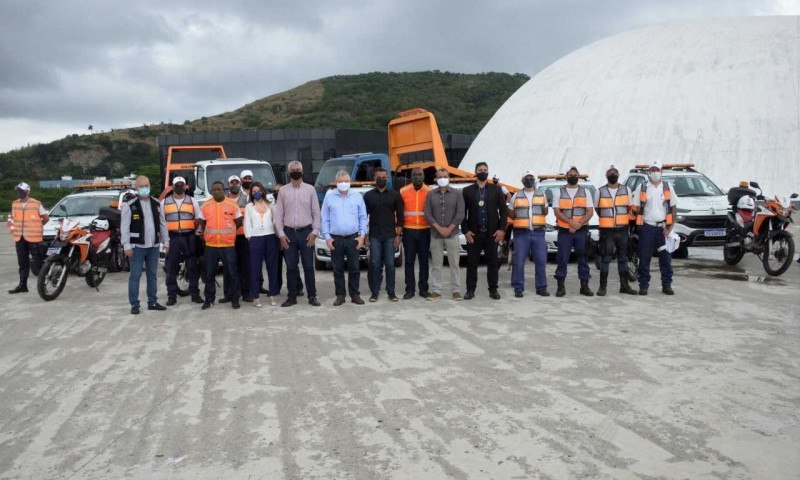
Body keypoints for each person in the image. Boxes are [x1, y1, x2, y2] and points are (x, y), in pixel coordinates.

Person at [274, 160, 321, 307]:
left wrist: (314, 233)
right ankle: (292, 296)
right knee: (291, 267)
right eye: (293, 170)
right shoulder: (283, 191)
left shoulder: (310, 189)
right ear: (289, 173)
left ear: (302, 171)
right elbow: (278, 215)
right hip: (288, 234)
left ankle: (312, 296)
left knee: (308, 266)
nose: (295, 171)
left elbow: (316, 213)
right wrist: (281, 235)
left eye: (297, 169)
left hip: (306, 232)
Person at [121, 175, 169, 314]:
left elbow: (163, 224)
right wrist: (126, 245)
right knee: (135, 276)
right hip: (136, 248)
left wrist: (166, 241)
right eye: (141, 186)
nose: (144, 188)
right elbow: (124, 227)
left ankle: (152, 302)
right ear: (136, 188)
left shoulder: (157, 203)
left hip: (153, 246)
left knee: (152, 276)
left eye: (146, 186)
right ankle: (134, 304)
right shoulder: (130, 206)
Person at [321, 171, 368, 306]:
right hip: (336, 239)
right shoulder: (329, 197)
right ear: (336, 183)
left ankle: (355, 295)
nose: (343, 183)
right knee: (338, 269)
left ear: (350, 182)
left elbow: (363, 217)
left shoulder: (357, 196)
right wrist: (327, 237)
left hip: (353, 238)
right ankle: (340, 295)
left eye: (346, 181)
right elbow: (324, 218)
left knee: (354, 268)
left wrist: (362, 236)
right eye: (341, 181)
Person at [461, 162, 507, 300]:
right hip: (474, 234)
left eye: (485, 170)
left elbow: (503, 212)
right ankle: (470, 290)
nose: (483, 172)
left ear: (488, 172)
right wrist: (466, 231)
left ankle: (493, 290)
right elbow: (462, 214)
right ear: (475, 172)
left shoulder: (496, 190)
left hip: (491, 233)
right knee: (471, 263)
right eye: (480, 170)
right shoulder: (467, 190)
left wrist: (501, 230)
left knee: (492, 263)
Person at [632, 160, 677, 295]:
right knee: (644, 258)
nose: (655, 173)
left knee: (665, 258)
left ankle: (667, 285)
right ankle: (643, 285)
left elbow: (674, 208)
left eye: (657, 170)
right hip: (647, 227)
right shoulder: (643, 187)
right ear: (648, 172)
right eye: (652, 170)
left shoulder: (668, 187)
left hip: (663, 228)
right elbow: (636, 209)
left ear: (661, 172)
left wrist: (669, 227)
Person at [594, 165, 637, 296]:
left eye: (615, 173)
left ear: (618, 175)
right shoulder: (599, 191)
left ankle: (624, 286)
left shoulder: (626, 190)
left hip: (622, 230)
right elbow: (597, 209)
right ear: (606, 176)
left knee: (623, 258)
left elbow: (630, 208)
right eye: (610, 173)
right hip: (607, 231)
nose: (613, 175)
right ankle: (603, 287)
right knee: (605, 258)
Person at [198, 181, 242, 309]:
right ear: (211, 191)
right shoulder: (206, 205)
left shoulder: (232, 204)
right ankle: (208, 299)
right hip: (211, 245)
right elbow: (201, 222)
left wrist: (229, 231)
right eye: (214, 190)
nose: (216, 191)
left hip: (228, 245)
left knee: (233, 273)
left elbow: (239, 221)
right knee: (209, 274)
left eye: (219, 189)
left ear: (224, 190)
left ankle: (235, 298)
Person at [423, 168, 465, 301]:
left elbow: (460, 214)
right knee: (436, 264)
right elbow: (427, 213)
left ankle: (456, 290)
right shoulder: (430, 194)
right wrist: (439, 228)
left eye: (445, 176)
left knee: (454, 263)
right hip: (436, 235)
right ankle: (436, 290)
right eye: (439, 176)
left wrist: (449, 228)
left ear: (449, 178)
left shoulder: (457, 194)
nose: (442, 178)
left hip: (452, 234)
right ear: (435, 179)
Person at [161, 176, 203, 305]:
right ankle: (171, 296)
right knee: (171, 268)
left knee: (192, 268)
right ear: (173, 186)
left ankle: (195, 294)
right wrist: (165, 241)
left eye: (182, 184)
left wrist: (198, 233)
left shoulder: (192, 201)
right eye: (177, 184)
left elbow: (199, 218)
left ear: (185, 186)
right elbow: (162, 223)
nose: (179, 186)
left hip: (189, 237)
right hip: (172, 237)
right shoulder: (164, 202)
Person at [553, 166, 594, 297]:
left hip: (581, 231)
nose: (572, 176)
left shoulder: (586, 192)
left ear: (578, 176)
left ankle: (584, 286)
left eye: (575, 174)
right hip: (565, 231)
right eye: (570, 174)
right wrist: (571, 223)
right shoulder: (559, 192)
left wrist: (579, 224)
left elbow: (590, 212)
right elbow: (557, 212)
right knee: (562, 258)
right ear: (566, 176)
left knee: (583, 258)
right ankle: (560, 287)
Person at [364, 167, 403, 302]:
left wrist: (398, 235)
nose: (382, 179)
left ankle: (391, 292)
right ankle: (375, 292)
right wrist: (365, 235)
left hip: (390, 235)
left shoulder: (395, 195)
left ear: (387, 178)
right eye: (379, 177)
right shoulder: (368, 196)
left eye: (384, 177)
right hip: (374, 235)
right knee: (375, 264)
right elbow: (364, 217)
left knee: (390, 264)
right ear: (374, 178)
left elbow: (400, 216)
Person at [509, 171, 549, 297]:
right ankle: (518, 288)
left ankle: (541, 287)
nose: (529, 179)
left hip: (538, 232)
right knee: (519, 262)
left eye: (531, 177)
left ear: (534, 180)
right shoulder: (516, 195)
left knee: (541, 261)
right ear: (522, 181)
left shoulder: (542, 194)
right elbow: (511, 212)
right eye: (527, 178)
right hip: (521, 233)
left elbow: (545, 211)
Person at [244, 181, 279, 307]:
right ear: (251, 193)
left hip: (270, 238)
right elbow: (247, 223)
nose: (256, 193)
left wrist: (277, 235)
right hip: (256, 239)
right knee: (255, 268)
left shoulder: (270, 205)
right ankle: (255, 297)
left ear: (263, 191)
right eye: (254, 191)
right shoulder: (249, 207)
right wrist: (250, 237)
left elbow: (276, 221)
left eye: (258, 191)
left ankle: (273, 294)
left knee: (272, 267)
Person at [9, 182, 48, 294]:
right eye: (18, 190)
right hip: (19, 239)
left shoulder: (36, 204)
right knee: (22, 263)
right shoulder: (15, 204)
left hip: (34, 239)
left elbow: (45, 218)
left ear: (28, 191)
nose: (19, 192)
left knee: (38, 264)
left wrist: (37, 226)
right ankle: (22, 286)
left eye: (21, 190)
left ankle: (44, 286)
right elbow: (14, 219)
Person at [399, 167, 431, 299]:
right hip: (409, 231)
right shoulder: (403, 191)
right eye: (415, 174)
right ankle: (410, 289)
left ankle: (423, 289)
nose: (417, 176)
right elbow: (399, 212)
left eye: (420, 174)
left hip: (425, 230)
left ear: (424, 176)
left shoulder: (430, 192)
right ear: (411, 177)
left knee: (424, 261)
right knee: (409, 262)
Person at [220, 175, 251, 303]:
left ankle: (246, 294)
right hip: (228, 239)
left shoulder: (247, 199)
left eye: (236, 183)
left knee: (245, 267)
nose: (234, 185)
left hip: (243, 238)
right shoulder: (223, 200)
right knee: (228, 268)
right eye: (232, 183)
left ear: (240, 184)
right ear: (228, 184)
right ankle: (229, 294)